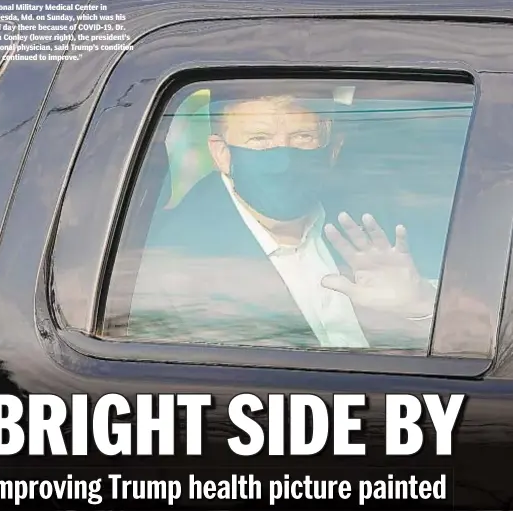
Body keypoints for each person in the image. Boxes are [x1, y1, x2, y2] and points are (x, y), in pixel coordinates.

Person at [133, 92, 437, 349]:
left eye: (303, 137)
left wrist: (417, 308)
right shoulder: (173, 266)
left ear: (333, 147)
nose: (283, 160)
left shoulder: (381, 218)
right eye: (260, 140)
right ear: (222, 153)